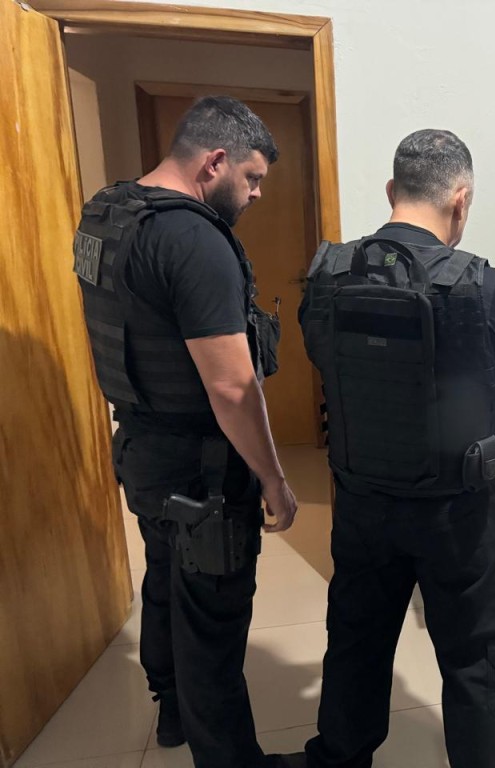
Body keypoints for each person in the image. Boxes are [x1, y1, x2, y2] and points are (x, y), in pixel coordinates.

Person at [297, 129, 495, 768]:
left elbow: (325, 363)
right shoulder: (481, 284)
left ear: (390, 191)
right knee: (474, 658)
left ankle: (340, 757)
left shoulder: (328, 274)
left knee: (356, 642)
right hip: (456, 510)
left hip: (362, 501)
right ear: (461, 200)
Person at [73, 96, 299, 768]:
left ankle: (170, 707)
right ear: (215, 162)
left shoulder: (108, 211)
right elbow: (231, 388)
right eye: (252, 178)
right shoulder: (194, 241)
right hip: (203, 468)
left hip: (142, 447)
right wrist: (273, 479)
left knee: (167, 578)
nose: (256, 194)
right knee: (212, 622)